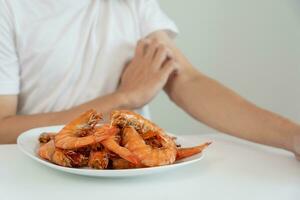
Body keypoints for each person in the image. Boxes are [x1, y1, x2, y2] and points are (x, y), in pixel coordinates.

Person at [0, 0, 299, 159]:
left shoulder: (133, 4)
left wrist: (292, 136)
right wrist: (124, 98)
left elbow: (189, 82)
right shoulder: (9, 9)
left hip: (133, 171)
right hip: (45, 174)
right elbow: (2, 129)